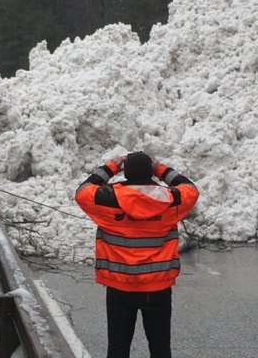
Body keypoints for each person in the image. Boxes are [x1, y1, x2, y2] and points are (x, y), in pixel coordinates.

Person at [74, 151, 199, 358]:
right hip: (157, 287)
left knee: (118, 347)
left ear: (126, 173)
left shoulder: (109, 199)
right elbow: (190, 190)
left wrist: (111, 167)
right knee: (160, 347)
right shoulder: (170, 200)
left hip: (119, 287)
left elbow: (83, 191)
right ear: (151, 173)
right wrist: (161, 169)